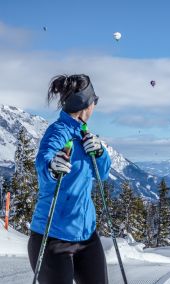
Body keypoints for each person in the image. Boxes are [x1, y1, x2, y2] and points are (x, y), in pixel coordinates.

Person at [28, 74, 111, 284]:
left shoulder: (84, 135)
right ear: (86, 105)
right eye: (95, 101)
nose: (95, 106)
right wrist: (52, 167)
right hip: (52, 238)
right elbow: (43, 162)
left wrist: (100, 153)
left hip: (86, 237)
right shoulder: (58, 132)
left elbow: (102, 175)